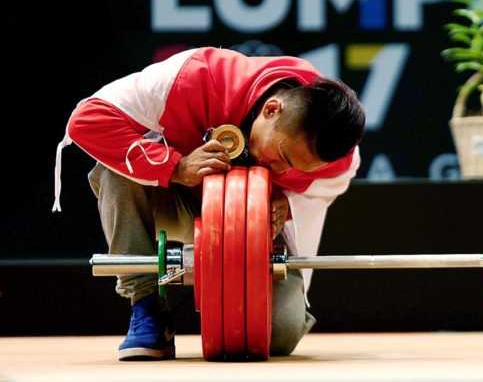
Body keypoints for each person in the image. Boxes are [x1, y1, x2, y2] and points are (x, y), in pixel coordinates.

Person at [52, 47, 365, 360]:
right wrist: (173, 167)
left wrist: (288, 201)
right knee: (115, 171)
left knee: (277, 336)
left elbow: (331, 182)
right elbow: (87, 120)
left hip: (258, 226)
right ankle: (145, 304)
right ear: (271, 110)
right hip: (181, 201)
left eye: (296, 169)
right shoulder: (193, 78)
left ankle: (280, 303)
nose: (284, 171)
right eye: (283, 157)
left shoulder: (337, 157)